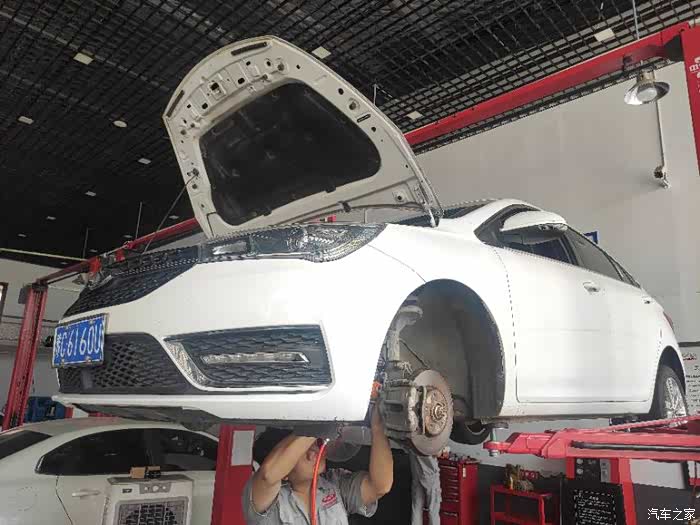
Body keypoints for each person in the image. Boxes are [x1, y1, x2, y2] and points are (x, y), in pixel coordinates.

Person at [242, 407, 393, 524]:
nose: (314, 452)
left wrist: (378, 428)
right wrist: (325, 420)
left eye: (314, 444)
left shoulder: (335, 484)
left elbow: (380, 486)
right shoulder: (268, 502)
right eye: (302, 452)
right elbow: (268, 475)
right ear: (285, 471)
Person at [408, 450, 442, 525]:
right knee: (433, 508)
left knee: (416, 507)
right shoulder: (428, 442)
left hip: (416, 474)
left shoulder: (412, 442)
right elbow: (437, 453)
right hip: (430, 475)